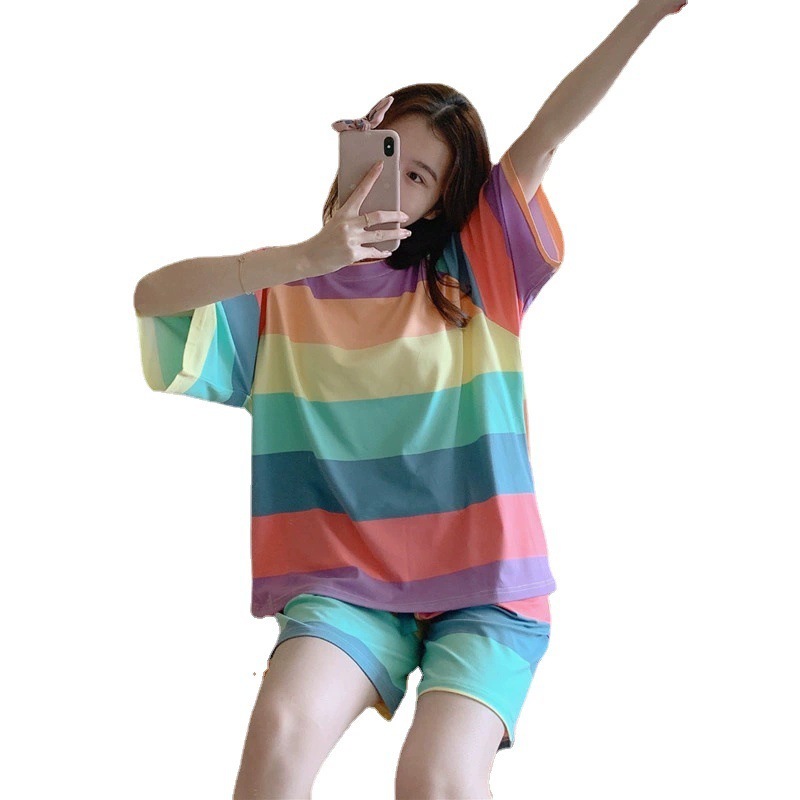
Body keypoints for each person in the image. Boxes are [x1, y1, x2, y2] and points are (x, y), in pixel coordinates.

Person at [133, 6, 685, 798]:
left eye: (419, 175)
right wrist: (304, 256)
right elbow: (150, 298)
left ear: (442, 203)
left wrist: (645, 14)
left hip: (487, 588)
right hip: (346, 587)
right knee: (281, 732)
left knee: (436, 778)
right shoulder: (281, 295)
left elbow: (547, 135)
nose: (391, 181)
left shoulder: (480, 265)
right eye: (386, 154)